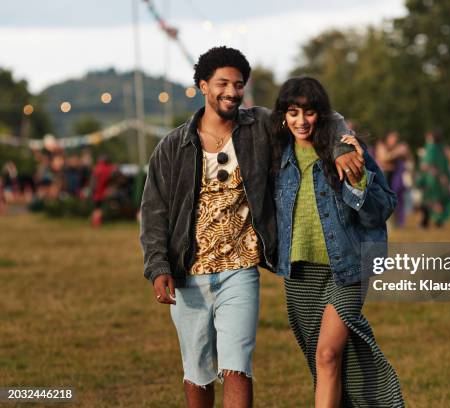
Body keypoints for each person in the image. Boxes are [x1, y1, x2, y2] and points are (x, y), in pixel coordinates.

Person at [139, 47, 362, 408]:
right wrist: (158, 267)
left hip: (239, 271)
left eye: (238, 84)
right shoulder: (173, 146)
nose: (231, 91)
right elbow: (153, 213)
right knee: (197, 370)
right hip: (188, 274)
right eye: (222, 83)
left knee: (237, 366)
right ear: (203, 86)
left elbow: (320, 115)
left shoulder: (258, 126)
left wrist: (339, 147)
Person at [270, 77, 404, 407]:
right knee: (326, 361)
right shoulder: (276, 155)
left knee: (328, 354)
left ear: (322, 114)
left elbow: (381, 209)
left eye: (310, 112)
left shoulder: (345, 149)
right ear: (284, 116)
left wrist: (358, 181)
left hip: (348, 266)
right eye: (293, 112)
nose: (301, 121)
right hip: (300, 273)